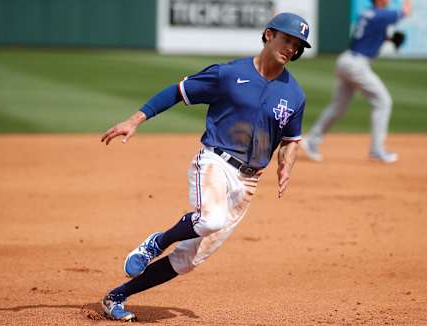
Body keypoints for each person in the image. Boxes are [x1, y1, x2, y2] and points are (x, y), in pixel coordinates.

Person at [99, 12, 310, 321]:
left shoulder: (295, 94)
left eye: (297, 45)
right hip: (215, 162)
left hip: (248, 184)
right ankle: (156, 242)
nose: (291, 48)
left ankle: (116, 297)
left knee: (186, 261)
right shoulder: (228, 74)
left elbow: (291, 139)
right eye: (287, 39)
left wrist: (286, 165)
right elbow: (177, 92)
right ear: (268, 35)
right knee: (210, 219)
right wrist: (135, 119)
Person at [302, 0, 412, 163]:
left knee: (338, 107)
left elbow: (369, 35)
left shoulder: (368, 14)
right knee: (383, 101)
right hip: (356, 65)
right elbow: (406, 11)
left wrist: (387, 39)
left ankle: (312, 141)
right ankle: (377, 150)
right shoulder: (382, 14)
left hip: (347, 60)